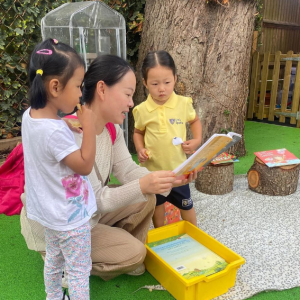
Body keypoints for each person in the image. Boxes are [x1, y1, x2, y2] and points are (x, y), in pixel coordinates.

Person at [20, 54, 198, 286]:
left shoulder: (111, 129)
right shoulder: (69, 134)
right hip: (63, 224)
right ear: (102, 90)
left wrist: (172, 179)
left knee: (146, 198)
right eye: (127, 94)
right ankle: (64, 260)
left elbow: (127, 169)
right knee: (135, 253)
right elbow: (93, 198)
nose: (131, 103)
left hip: (86, 214)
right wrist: (145, 184)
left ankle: (110, 245)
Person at [22, 38, 97, 299]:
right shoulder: (55, 133)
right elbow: (85, 165)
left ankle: (53, 297)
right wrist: (89, 126)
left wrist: (65, 124)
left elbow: (48, 135)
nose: (80, 93)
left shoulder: (30, 116)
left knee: (53, 260)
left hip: (49, 213)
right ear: (55, 86)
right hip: (71, 218)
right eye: (78, 86)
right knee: (78, 270)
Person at [133, 50, 202, 228]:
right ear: (145, 83)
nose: (161, 88)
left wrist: (197, 140)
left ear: (175, 78)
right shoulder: (142, 110)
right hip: (153, 174)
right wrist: (140, 149)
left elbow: (194, 120)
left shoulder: (183, 103)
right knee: (157, 207)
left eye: (167, 82)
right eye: (155, 83)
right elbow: (138, 132)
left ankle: (195, 233)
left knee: (187, 205)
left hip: (178, 172)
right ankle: (161, 236)